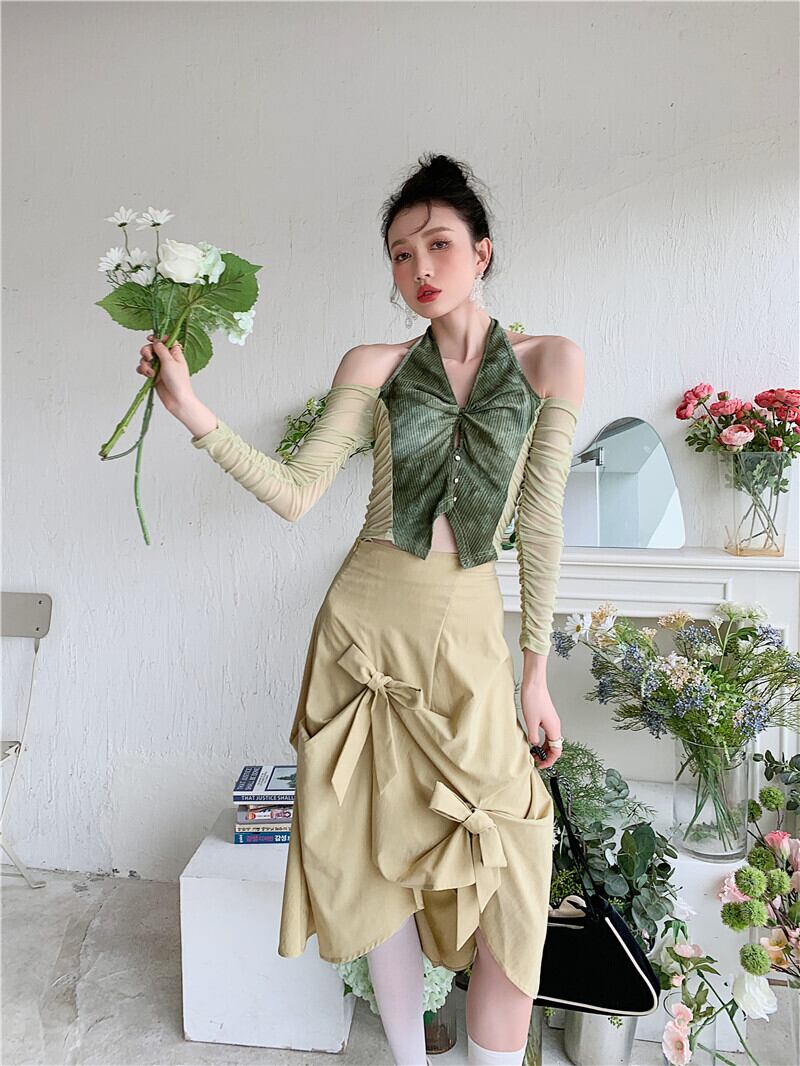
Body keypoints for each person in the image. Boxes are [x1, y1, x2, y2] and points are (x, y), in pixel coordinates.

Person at [136, 153, 584, 1066]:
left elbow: (540, 525)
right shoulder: (373, 364)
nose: (419, 268)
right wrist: (192, 411)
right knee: (384, 863)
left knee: (512, 865)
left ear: (482, 252)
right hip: (363, 637)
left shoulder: (551, 362)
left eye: (439, 244)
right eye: (400, 254)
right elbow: (297, 492)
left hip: (468, 642)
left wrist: (535, 675)